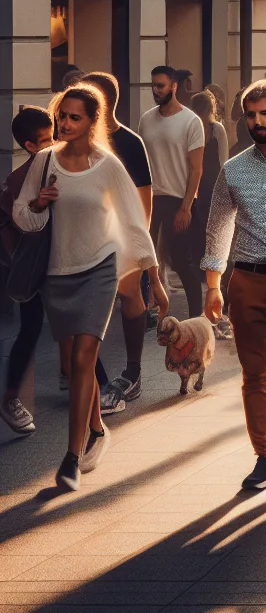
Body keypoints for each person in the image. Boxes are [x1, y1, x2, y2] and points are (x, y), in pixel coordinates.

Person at [15, 85, 168, 490]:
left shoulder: (108, 165)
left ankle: (71, 457)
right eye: (61, 116)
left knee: (85, 357)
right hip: (56, 273)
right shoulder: (44, 161)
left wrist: (154, 279)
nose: (64, 123)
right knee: (73, 364)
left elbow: (133, 223)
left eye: (73, 117)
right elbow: (21, 214)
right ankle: (98, 430)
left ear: (91, 121)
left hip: (99, 270)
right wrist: (38, 204)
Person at [78, 72, 154, 414]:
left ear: (103, 102)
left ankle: (133, 373)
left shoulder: (130, 142)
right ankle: (88, 374)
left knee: (129, 295)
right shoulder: (77, 141)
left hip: (122, 238)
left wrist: (139, 248)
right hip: (85, 236)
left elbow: (144, 200)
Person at [0, 107, 56, 437]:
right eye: (46, 140)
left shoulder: (64, 165)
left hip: (63, 262)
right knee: (31, 328)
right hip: (32, 267)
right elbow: (10, 227)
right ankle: (10, 399)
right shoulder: (17, 181)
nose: (54, 143)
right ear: (30, 146)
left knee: (77, 326)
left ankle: (95, 384)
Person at [139, 66, 206, 318]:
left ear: (174, 86)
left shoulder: (191, 121)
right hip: (150, 199)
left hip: (178, 200)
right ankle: (146, 313)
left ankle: (196, 318)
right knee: (145, 260)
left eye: (161, 86)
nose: (156, 91)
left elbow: (196, 169)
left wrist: (186, 207)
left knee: (180, 262)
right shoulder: (146, 120)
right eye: (153, 86)